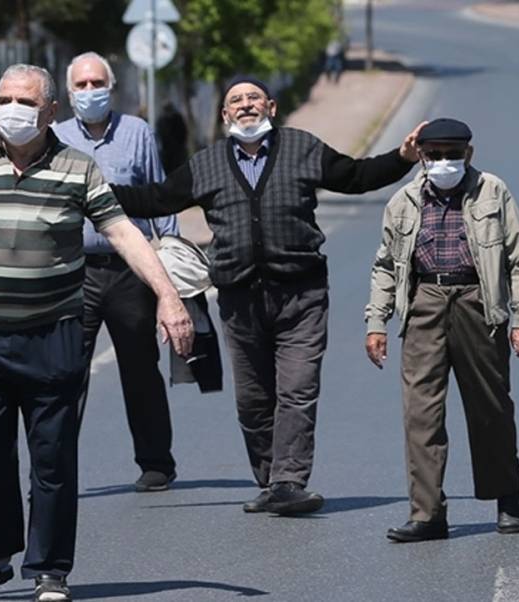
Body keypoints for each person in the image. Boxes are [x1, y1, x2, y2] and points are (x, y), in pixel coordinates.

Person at [0, 64, 192, 602]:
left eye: (26, 102)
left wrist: (168, 296)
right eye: (5, 98)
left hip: (53, 335)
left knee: (52, 457)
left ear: (50, 111)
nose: (13, 109)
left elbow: (122, 232)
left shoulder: (77, 168)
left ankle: (50, 568)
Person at [110, 74, 425, 515]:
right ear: (224, 115)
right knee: (254, 401)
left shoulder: (302, 148)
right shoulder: (206, 164)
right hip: (240, 301)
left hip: (301, 294)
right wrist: (90, 191)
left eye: (253, 98)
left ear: (271, 107)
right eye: (235, 100)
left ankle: (288, 480)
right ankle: (270, 480)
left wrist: (402, 158)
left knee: (297, 391)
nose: (245, 105)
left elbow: (356, 176)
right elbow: (155, 199)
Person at [364, 118, 519, 543]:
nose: (444, 162)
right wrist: (377, 322)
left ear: (468, 154)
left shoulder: (492, 191)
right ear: (421, 156)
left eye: (452, 154)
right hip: (424, 302)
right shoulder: (403, 200)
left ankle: (507, 497)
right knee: (420, 414)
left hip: (477, 302)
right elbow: (386, 265)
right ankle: (427, 514)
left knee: (490, 406)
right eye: (435, 154)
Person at [53, 51, 181, 493]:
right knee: (65, 373)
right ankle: (55, 468)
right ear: (69, 93)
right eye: (81, 85)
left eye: (97, 83)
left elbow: (159, 196)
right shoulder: (53, 137)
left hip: (129, 272)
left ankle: (156, 462)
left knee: (141, 369)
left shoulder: (137, 133)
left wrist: (171, 270)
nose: (90, 92)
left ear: (112, 87)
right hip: (74, 274)